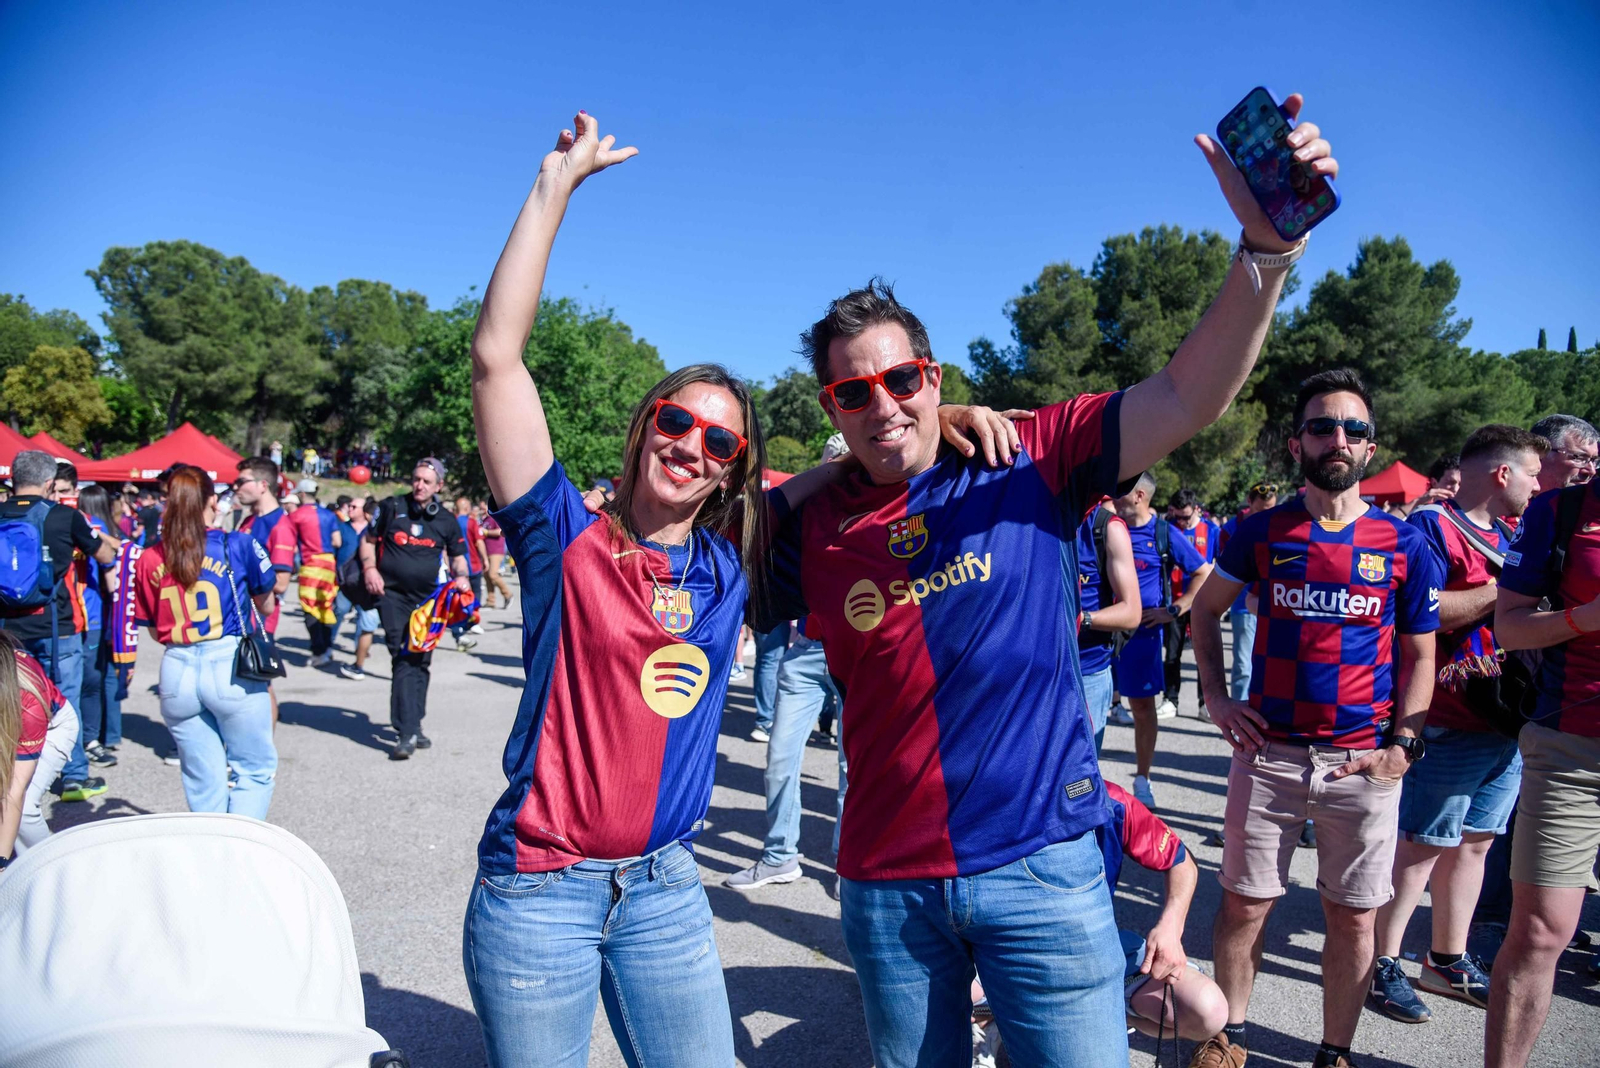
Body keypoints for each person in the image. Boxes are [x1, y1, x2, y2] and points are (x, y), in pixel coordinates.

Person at [759, 93, 1339, 1068]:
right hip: (886, 882)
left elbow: (1186, 394)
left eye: (903, 381)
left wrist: (1264, 254)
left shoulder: (1029, 453)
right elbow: (690, 532)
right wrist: (841, 463)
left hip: (1041, 868)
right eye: (851, 393)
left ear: (933, 375)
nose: (882, 404)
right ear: (831, 405)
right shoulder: (813, 523)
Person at [459, 110, 1016, 1068]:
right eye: (676, 421)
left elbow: (851, 465)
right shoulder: (565, 539)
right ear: (643, 429)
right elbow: (497, 360)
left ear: (732, 470)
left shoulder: (732, 566)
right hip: (540, 887)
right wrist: (554, 190)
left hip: (668, 886)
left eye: (719, 442)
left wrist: (938, 408)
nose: (691, 446)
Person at [1189, 368, 1442, 1068]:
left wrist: (1405, 747)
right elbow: (1206, 610)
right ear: (1296, 442)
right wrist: (1214, 695)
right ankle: (1226, 1038)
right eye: (1323, 426)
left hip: (1364, 765)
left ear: (1371, 446)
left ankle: (1335, 1051)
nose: (1338, 439)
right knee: (1243, 906)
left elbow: (1422, 654)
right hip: (1268, 755)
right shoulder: (1258, 531)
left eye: (1353, 429)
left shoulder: (1403, 543)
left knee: (1353, 917)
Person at [1363, 426, 1547, 1025]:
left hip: (1505, 719)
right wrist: (1504, 591)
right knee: (1420, 847)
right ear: (1501, 474)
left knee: (1476, 843)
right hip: (1447, 716)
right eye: (1533, 473)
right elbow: (1427, 611)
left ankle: (1445, 957)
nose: (1539, 485)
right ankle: (1381, 966)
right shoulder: (1431, 529)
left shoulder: (1516, 532)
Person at [974, 780, 1232, 1066]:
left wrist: (1171, 927)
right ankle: (989, 1025)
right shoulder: (987, 790)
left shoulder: (1106, 797)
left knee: (1208, 1010)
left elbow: (1181, 860)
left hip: (1089, 949)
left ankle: (1103, 1017)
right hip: (996, 951)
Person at [1484, 463, 1600, 1067]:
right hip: (1572, 748)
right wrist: (1587, 617)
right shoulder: (1562, 512)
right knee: (1537, 934)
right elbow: (1509, 628)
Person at [727, 435, 856, 890]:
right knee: (780, 756)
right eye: (833, 465)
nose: (842, 472)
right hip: (804, 653)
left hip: (856, 656)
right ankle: (780, 854)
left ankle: (847, 863)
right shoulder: (807, 516)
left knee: (851, 768)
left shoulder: (887, 514)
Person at [133, 466, 278, 819]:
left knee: (203, 780)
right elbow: (267, 602)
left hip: (176, 667)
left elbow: (153, 629)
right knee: (253, 770)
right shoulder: (238, 543)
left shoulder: (150, 556)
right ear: (212, 500)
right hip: (228, 662)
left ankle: (212, 855)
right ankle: (238, 852)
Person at [0, 450, 118, 803]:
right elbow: (106, 555)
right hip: (57, 625)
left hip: (7, 627)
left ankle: (10, 769)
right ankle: (73, 777)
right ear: (50, 483)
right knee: (66, 703)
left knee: (10, 701)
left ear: (12, 479)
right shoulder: (65, 517)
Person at [1108, 473, 1211, 808]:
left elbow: (1203, 572)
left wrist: (1175, 609)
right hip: (1100, 632)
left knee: (1142, 708)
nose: (1112, 494)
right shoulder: (1106, 524)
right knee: (1090, 707)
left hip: (1143, 635)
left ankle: (1143, 779)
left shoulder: (1164, 533)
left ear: (1139, 496)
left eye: (1120, 490)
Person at [359, 457, 470, 759]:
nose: (419, 485)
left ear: (439, 486)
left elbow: (458, 556)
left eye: (426, 481)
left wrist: (462, 579)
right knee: (405, 655)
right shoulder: (391, 507)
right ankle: (405, 731)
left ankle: (414, 723)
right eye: (416, 479)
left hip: (430, 601)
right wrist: (370, 569)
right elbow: (368, 541)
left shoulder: (445, 519)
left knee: (422, 660)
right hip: (392, 595)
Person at [233, 457, 296, 726]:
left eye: (241, 481)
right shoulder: (248, 521)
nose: (236, 487)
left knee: (261, 684)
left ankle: (263, 760)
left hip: (259, 620)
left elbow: (281, 582)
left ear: (262, 484)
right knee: (242, 687)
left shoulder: (280, 525)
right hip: (238, 617)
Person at [1077, 499, 1143, 756]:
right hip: (1037, 672)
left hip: (1088, 672)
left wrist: (1083, 619)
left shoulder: (1106, 528)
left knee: (1080, 777)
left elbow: (1131, 612)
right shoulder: (1032, 521)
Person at [2, 633, 69, 862]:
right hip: (10, 716)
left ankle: (47, 867)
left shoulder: (28, 700)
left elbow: (15, 789)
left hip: (53, 725)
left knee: (24, 807)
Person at [74, 485, 124, 771]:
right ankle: (105, 735)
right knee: (101, 676)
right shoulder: (104, 525)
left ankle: (92, 738)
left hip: (93, 611)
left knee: (92, 680)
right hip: (98, 612)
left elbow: (111, 567)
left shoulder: (94, 526)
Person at [1218, 483, 1278, 702]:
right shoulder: (1231, 529)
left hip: (1274, 605)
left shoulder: (1279, 525)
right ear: (1249, 502)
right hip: (1243, 606)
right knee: (1243, 664)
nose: (1267, 513)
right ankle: (1240, 714)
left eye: (1271, 507)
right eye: (1262, 509)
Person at [1166, 487, 1220, 713]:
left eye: (1185, 516)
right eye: (1177, 516)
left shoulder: (1212, 531)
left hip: (1202, 603)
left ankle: (1204, 705)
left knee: (1203, 656)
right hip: (1175, 602)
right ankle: (1170, 700)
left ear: (1196, 509)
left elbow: (1222, 564)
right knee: (1171, 654)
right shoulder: (1169, 530)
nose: (1181, 521)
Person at [287, 479, 342, 667]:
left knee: (310, 608)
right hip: (328, 564)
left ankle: (318, 650)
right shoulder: (328, 514)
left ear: (302, 494)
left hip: (311, 564)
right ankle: (327, 647)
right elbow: (337, 541)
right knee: (326, 605)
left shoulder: (295, 516)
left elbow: (290, 544)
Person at [338, 498, 383, 681]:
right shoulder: (391, 530)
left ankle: (358, 665)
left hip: (368, 586)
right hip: (385, 585)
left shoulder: (370, 532)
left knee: (366, 626)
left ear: (366, 514)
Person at [449, 496, 487, 651]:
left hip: (455, 569)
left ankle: (460, 628)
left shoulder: (450, 522)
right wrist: (485, 559)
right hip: (472, 566)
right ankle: (471, 622)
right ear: (466, 508)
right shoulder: (471, 522)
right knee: (475, 595)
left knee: (458, 600)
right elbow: (479, 542)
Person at [479, 504, 512, 609]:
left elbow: (499, 532)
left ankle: (508, 594)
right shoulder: (485, 520)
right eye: (480, 508)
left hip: (496, 551)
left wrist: (486, 532)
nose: (481, 509)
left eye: (483, 507)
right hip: (486, 551)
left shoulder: (495, 518)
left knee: (493, 574)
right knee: (486, 575)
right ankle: (491, 600)